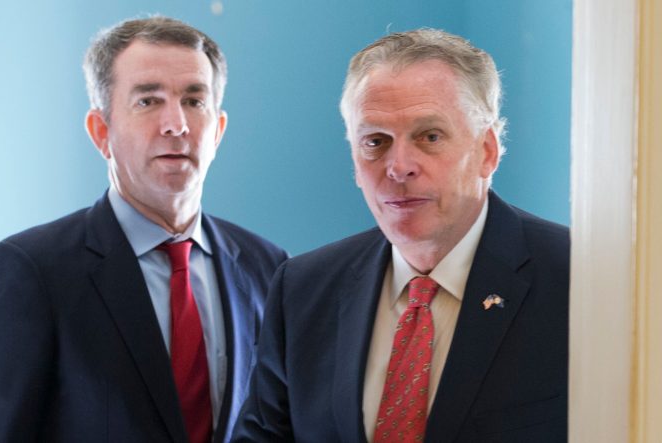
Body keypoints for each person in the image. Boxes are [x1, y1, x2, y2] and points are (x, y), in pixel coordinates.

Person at [0, 15, 287, 443]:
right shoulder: (31, 271)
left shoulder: (269, 268)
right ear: (101, 131)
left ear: (218, 130)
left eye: (193, 101)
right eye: (148, 101)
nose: (176, 124)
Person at [233, 29, 568, 442]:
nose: (399, 167)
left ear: (487, 151)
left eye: (429, 137)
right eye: (375, 142)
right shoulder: (302, 288)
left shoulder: (578, 278)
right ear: (354, 162)